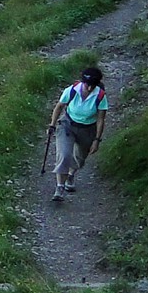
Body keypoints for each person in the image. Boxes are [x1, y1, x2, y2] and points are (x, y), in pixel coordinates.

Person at [45, 66, 108, 201]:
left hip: (87, 128)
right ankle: (60, 187)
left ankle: (71, 174)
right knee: (64, 154)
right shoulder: (72, 90)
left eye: (93, 85)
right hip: (67, 125)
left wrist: (97, 139)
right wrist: (52, 124)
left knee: (80, 158)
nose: (89, 88)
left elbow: (101, 119)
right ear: (83, 82)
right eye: (87, 85)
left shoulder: (101, 96)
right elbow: (59, 106)